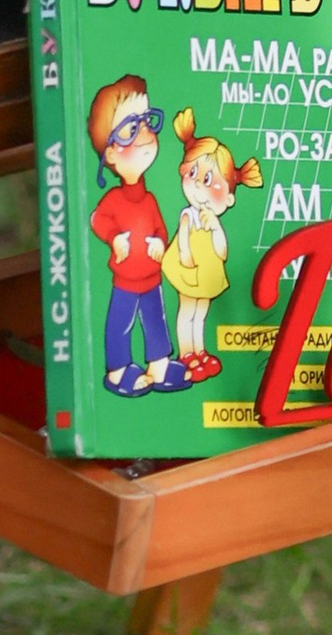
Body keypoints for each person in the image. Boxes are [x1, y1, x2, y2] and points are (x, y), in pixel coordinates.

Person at [159, 112, 264, 382]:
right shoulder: (188, 215)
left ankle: (200, 351)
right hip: (188, 268)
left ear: (228, 198)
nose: (197, 184)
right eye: (193, 173)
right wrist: (185, 257)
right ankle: (186, 354)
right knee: (187, 311)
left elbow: (222, 251)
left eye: (208, 180)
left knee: (201, 312)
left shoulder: (213, 220)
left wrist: (216, 228)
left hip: (207, 271)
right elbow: (183, 241)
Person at [87, 77, 175, 399]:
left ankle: (159, 366)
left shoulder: (149, 200)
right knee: (120, 323)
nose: (145, 134)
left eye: (147, 121)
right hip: (125, 279)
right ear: (111, 154)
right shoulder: (114, 199)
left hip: (151, 277)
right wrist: (114, 238)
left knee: (155, 320)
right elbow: (97, 219)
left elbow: (160, 228)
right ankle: (118, 371)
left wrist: (160, 243)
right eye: (130, 128)